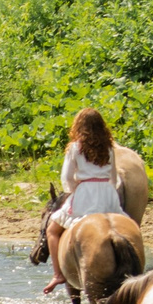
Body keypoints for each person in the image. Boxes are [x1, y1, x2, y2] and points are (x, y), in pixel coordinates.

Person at [42, 107, 124, 294]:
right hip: (107, 194)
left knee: (52, 230)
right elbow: (114, 179)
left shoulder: (75, 148)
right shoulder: (109, 148)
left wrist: (74, 191)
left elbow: (67, 177)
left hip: (86, 193)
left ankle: (58, 274)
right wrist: (107, 190)